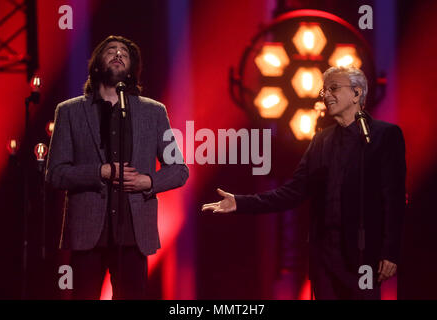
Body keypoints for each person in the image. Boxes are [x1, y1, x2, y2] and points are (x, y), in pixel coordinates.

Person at [202, 66, 406, 300]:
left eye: (334, 89)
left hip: (363, 255)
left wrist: (390, 251)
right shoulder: (321, 140)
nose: (326, 95)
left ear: (357, 93)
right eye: (324, 91)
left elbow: (394, 198)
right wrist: (240, 203)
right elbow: (293, 191)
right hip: (325, 258)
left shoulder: (384, 135)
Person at [46, 35, 188, 299]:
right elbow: (55, 174)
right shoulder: (69, 112)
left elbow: (179, 170)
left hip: (134, 235)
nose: (118, 54)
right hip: (87, 234)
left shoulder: (154, 112)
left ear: (132, 69)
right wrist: (101, 172)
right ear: (97, 65)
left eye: (124, 52)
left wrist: (148, 181)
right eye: (111, 50)